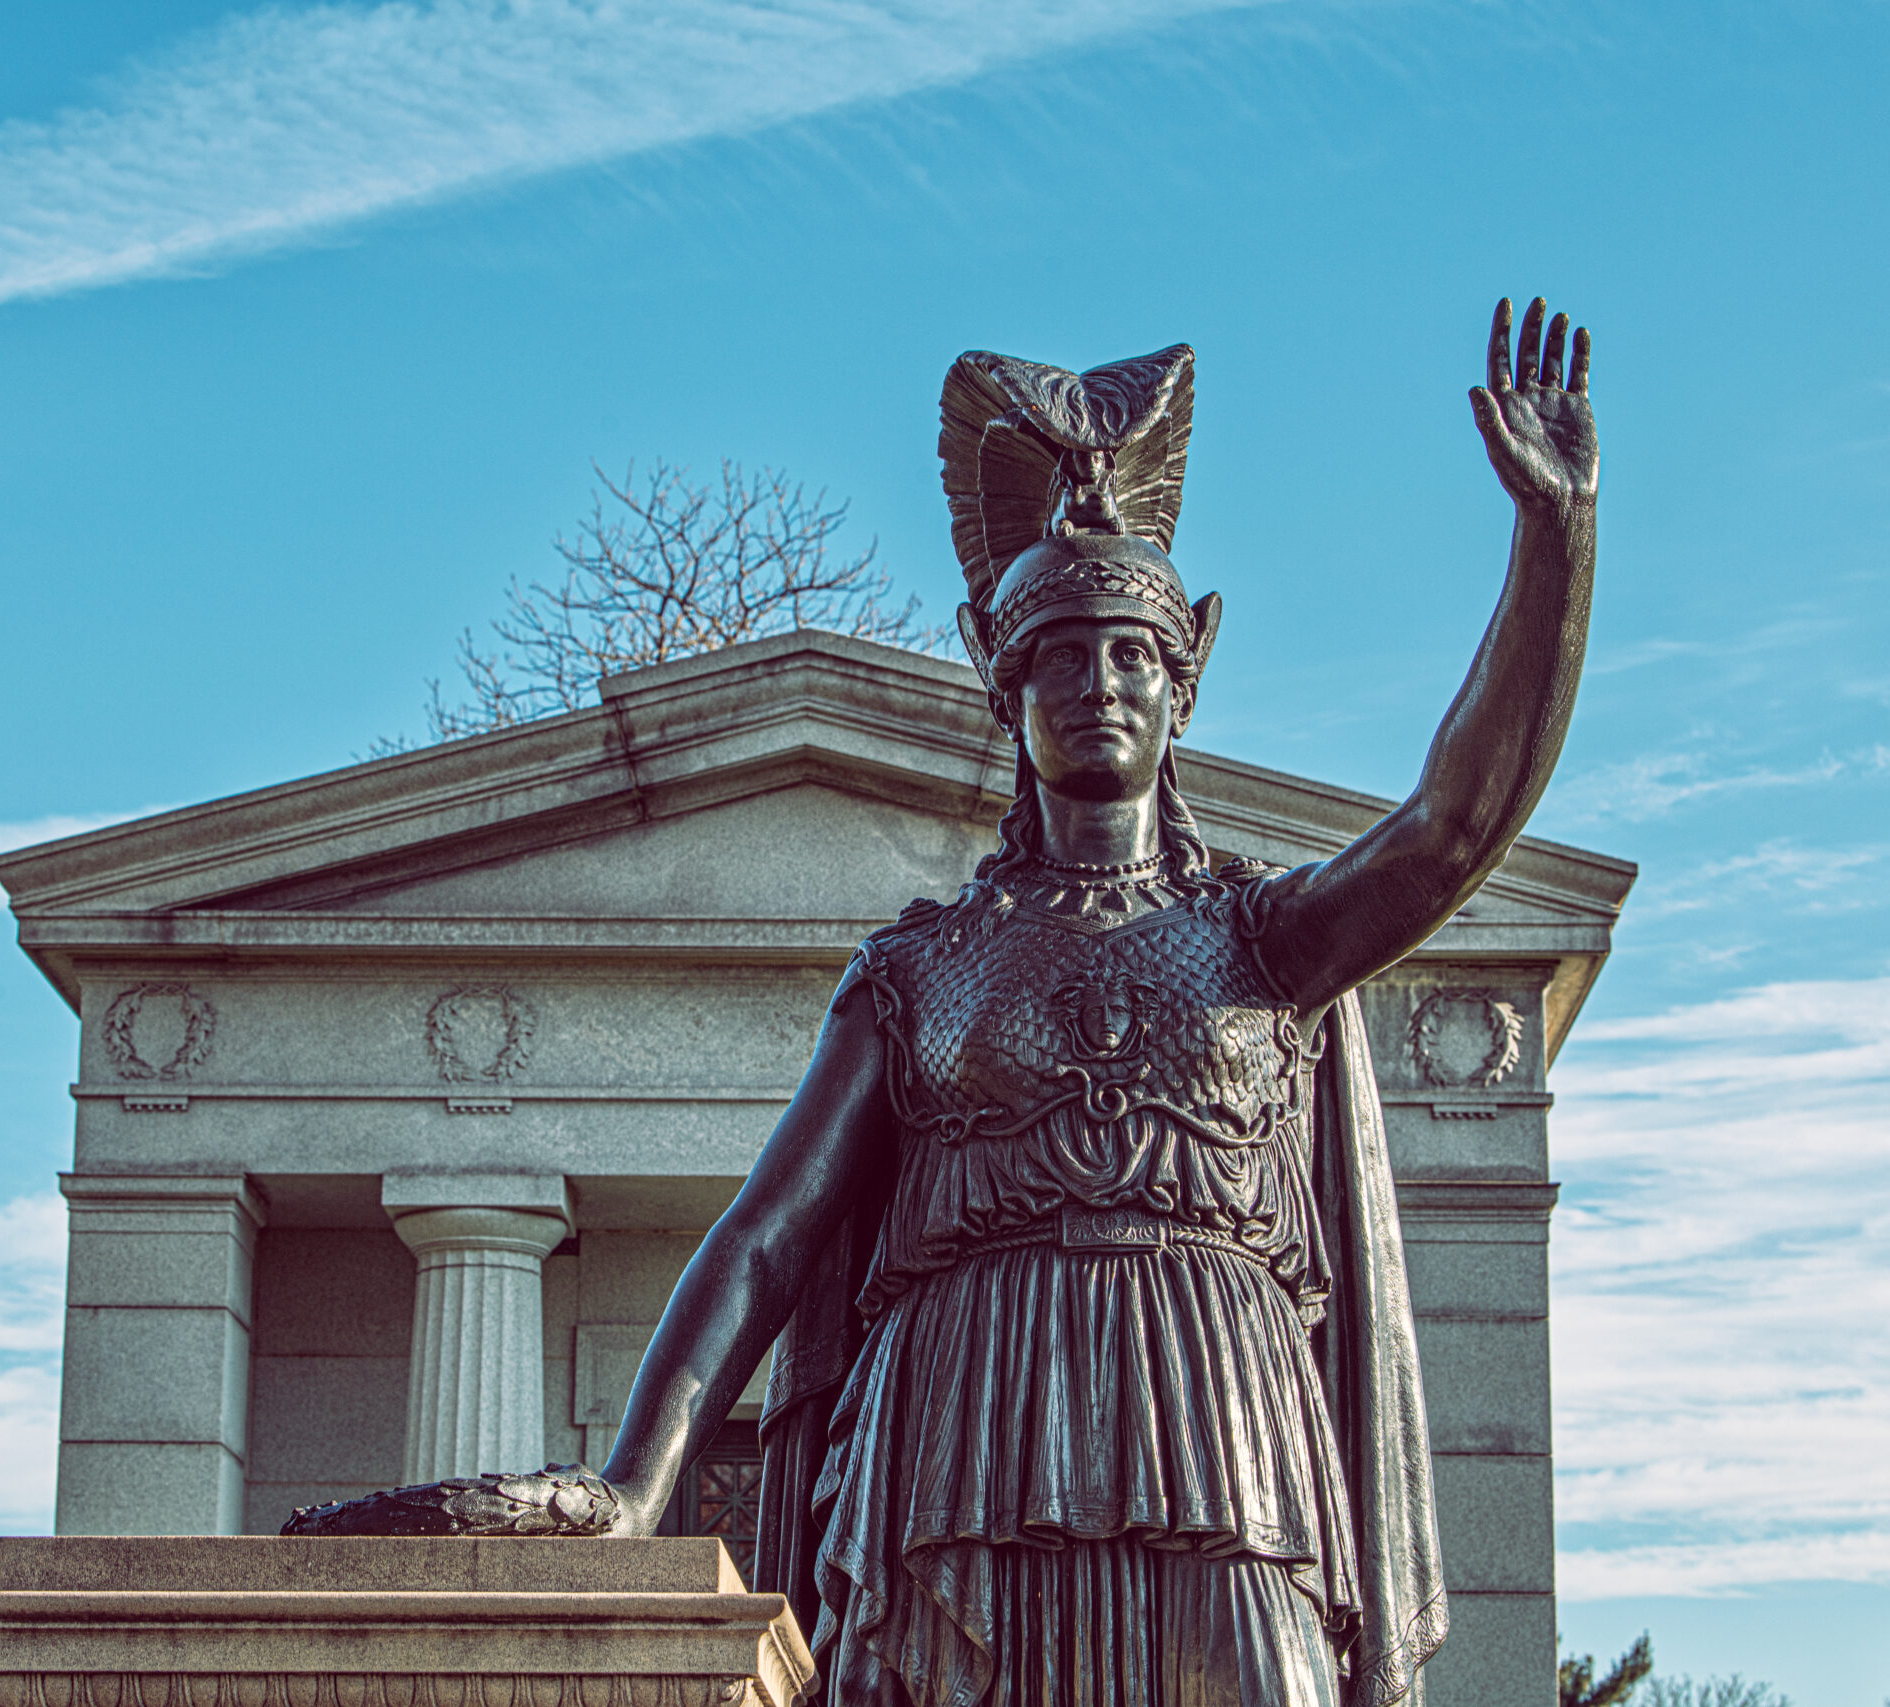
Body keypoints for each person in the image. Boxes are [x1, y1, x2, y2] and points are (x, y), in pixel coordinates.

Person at [292, 299, 1599, 1707]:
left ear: (1188, 678)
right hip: (962, 1432)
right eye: (1059, 657)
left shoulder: (1265, 940)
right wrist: (635, 1484)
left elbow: (1456, 824)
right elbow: (763, 1238)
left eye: (1132, 657)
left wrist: (1555, 539)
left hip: (1225, 1427)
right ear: (1002, 677)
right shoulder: (916, 972)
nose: (1098, 684)